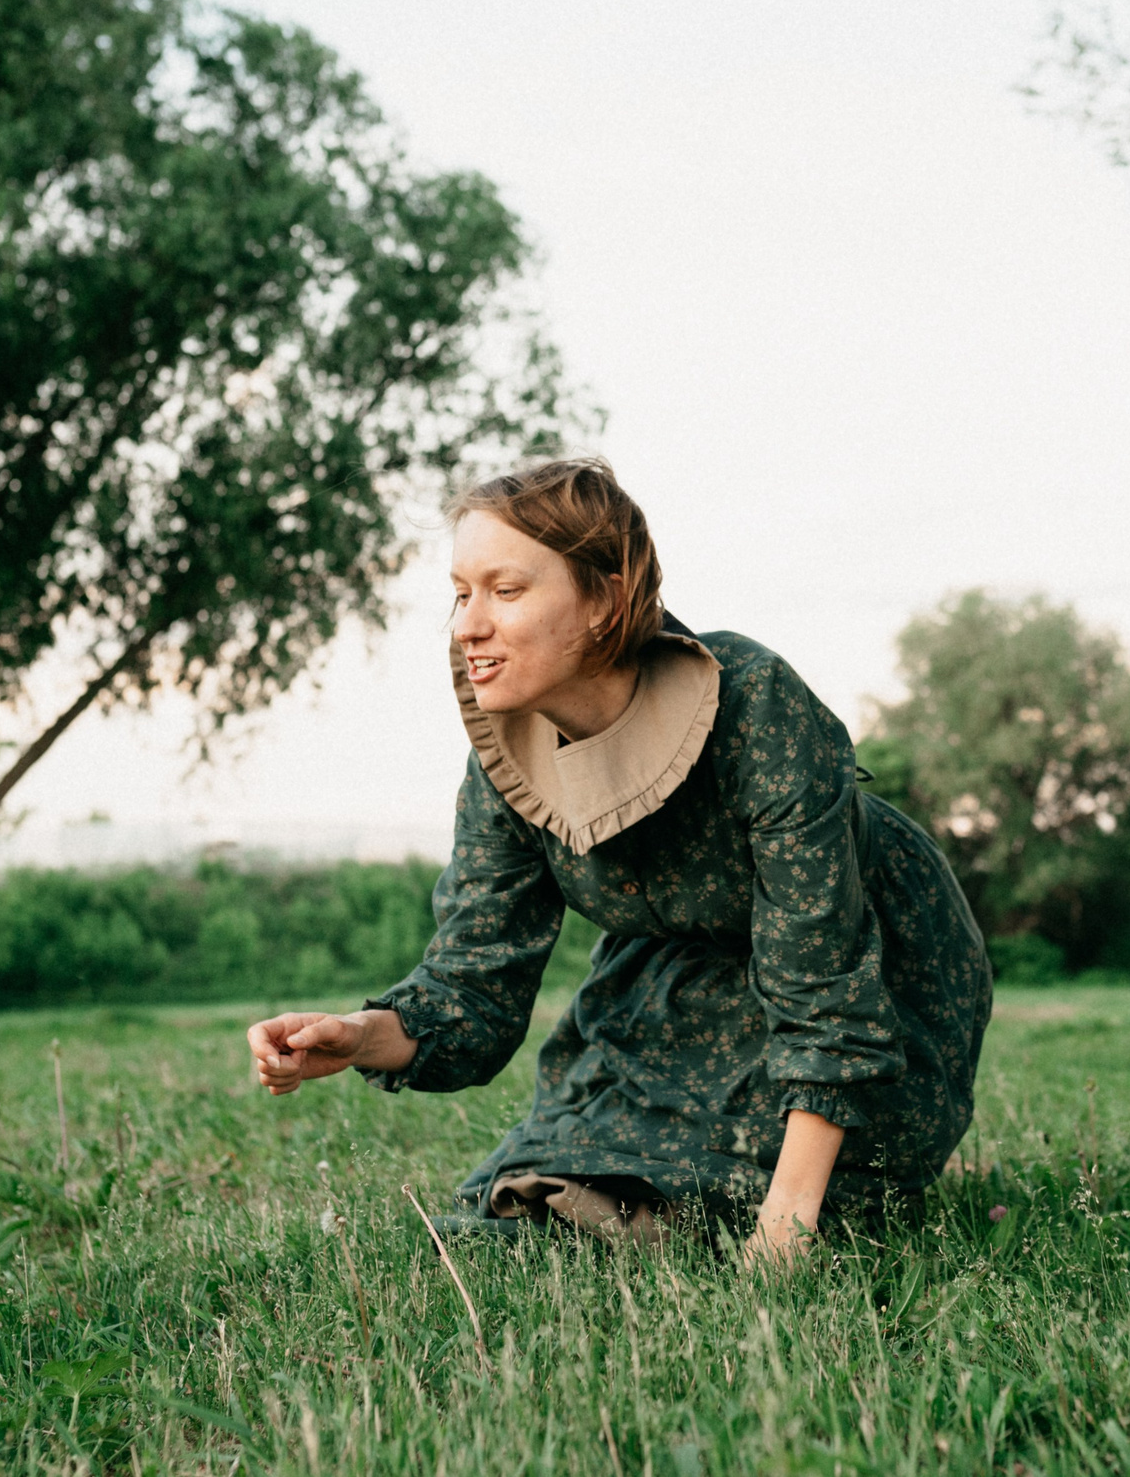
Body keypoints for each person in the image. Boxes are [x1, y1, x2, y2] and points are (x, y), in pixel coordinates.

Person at [246, 458, 990, 1263]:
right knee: (561, 1176)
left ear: (605, 599)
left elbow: (822, 988)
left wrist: (785, 1225)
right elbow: (475, 985)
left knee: (771, 1185)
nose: (467, 625)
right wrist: (357, 1036)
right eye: (461, 593)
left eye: (506, 590)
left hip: (873, 955)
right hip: (670, 962)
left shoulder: (755, 704)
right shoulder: (505, 758)